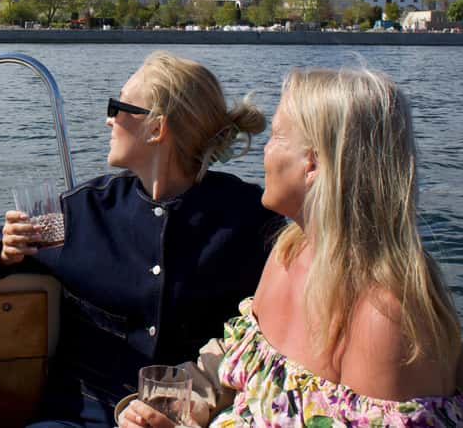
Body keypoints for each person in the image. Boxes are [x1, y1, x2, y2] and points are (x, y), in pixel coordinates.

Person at [119, 67, 463, 428]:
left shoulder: (386, 318)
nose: (264, 151)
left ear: (312, 164)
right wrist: (170, 404)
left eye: (276, 136)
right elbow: (242, 372)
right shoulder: (289, 250)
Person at [0, 51, 282, 427]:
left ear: (156, 128)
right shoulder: (87, 210)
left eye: (118, 107)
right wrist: (6, 250)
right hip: (81, 420)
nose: (108, 119)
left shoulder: (250, 220)